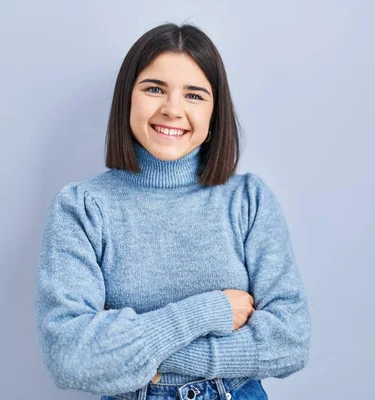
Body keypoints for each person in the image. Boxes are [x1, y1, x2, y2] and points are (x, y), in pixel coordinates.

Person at [35, 22, 311, 400]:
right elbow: (70, 357)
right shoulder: (83, 207)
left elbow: (290, 340)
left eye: (194, 95)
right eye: (154, 89)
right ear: (127, 100)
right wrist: (208, 311)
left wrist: (146, 354)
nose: (172, 109)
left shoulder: (249, 199)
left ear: (215, 115)